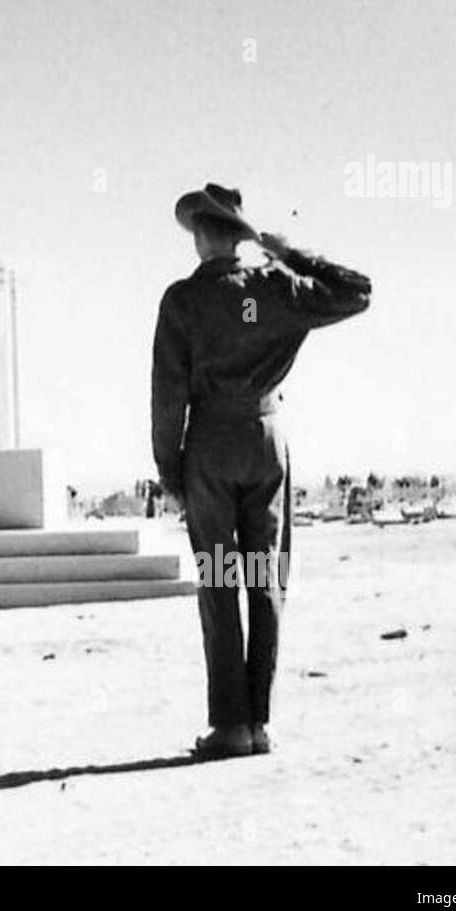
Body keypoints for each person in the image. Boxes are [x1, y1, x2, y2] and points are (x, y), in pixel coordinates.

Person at [152, 184, 370, 760]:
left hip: (210, 447)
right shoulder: (276, 290)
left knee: (220, 580)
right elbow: (357, 292)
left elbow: (167, 396)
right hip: (266, 439)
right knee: (265, 578)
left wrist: (169, 469)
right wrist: (291, 254)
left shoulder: (182, 301)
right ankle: (261, 723)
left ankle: (230, 726)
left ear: (199, 234)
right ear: (240, 235)